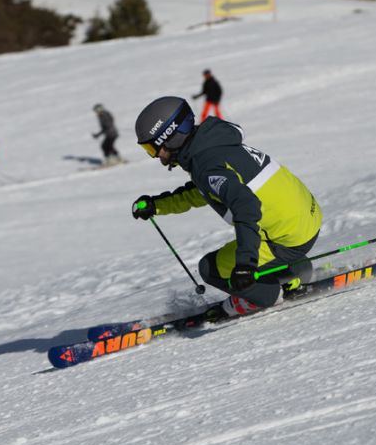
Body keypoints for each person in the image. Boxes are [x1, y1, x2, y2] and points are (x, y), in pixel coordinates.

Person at [131, 96, 322, 318]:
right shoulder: (213, 143)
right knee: (234, 256)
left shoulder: (206, 164)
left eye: (152, 148)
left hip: (288, 238)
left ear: (170, 138)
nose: (155, 156)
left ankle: (269, 294)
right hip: (307, 218)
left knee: (210, 268)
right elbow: (204, 191)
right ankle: (293, 271)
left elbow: (246, 207)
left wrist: (245, 266)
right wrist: (157, 205)